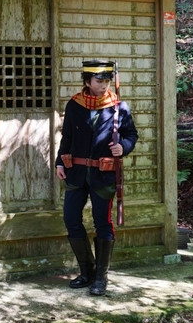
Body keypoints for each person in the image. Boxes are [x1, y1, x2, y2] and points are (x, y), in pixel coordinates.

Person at [56, 59, 138, 296]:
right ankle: (87, 271)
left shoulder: (118, 107)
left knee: (102, 222)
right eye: (98, 81)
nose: (103, 86)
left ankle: (101, 278)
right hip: (77, 172)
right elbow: (67, 136)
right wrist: (60, 161)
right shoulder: (74, 105)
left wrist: (123, 146)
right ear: (88, 81)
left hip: (103, 175)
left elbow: (131, 135)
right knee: (71, 218)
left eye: (106, 81)